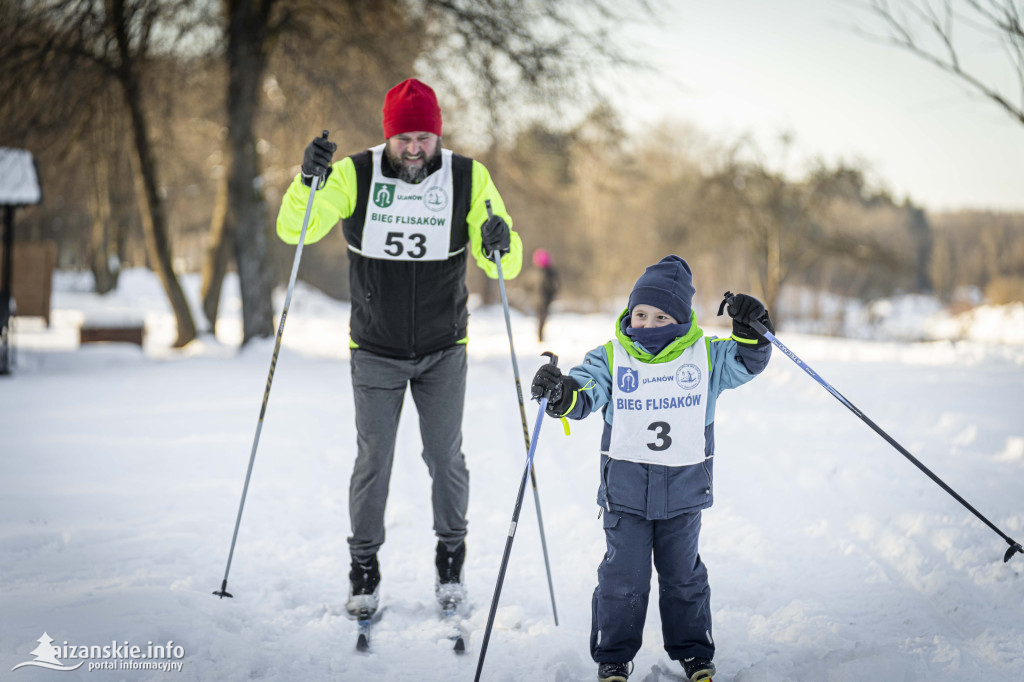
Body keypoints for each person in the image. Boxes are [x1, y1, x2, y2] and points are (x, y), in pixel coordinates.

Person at [276, 78, 523, 617]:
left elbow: (503, 259)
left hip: (443, 347)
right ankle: (363, 569)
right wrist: (307, 180)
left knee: (444, 457)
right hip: (375, 348)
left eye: (424, 138)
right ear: (388, 136)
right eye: (404, 139)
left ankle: (450, 559)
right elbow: (296, 229)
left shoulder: (467, 175)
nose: (414, 149)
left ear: (438, 135)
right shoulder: (355, 174)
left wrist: (499, 239)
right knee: (374, 459)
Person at [530, 255, 773, 682]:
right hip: (626, 496)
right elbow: (585, 390)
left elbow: (747, 361)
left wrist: (753, 328)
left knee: (684, 578)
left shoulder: (707, 358)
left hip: (683, 495)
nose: (647, 323)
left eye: (660, 315)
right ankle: (614, 656)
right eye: (640, 313)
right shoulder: (612, 357)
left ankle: (695, 653)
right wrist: (562, 392)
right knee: (623, 580)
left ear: (680, 319)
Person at [532, 248, 560, 342]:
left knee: (542, 318)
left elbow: (555, 285)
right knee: (541, 318)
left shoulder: (546, 272)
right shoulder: (540, 272)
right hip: (540, 299)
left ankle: (540, 336)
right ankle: (540, 337)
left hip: (542, 299)